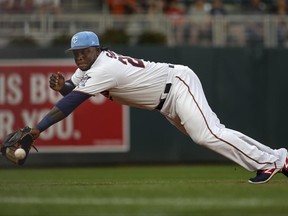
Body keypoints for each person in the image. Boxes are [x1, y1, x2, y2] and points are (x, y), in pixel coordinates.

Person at [28, 31, 288, 184]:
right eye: (75, 53)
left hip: (177, 84)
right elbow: (71, 92)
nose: (79, 57)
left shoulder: (104, 68)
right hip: (166, 102)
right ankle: (278, 157)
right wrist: (63, 85)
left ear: (97, 49)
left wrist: (36, 130)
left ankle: (267, 162)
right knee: (214, 132)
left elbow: (70, 103)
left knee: (207, 134)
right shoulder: (90, 67)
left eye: (84, 51)